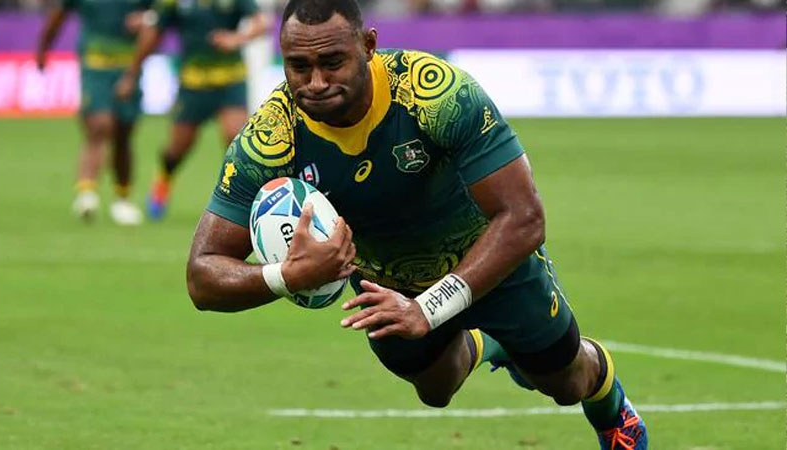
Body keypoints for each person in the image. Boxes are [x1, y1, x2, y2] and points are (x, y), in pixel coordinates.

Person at [186, 0, 648, 448]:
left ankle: (615, 415)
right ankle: (488, 343)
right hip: (389, 288)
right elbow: (203, 275)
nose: (316, 82)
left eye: (332, 62)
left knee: (566, 383)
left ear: (368, 45)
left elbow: (524, 218)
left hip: (491, 262)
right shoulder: (271, 137)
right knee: (437, 390)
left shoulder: (433, 93)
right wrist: (287, 276)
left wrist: (428, 308)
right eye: (299, 66)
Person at [116, 0, 273, 220]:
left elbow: (262, 22)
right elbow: (154, 31)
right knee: (178, 148)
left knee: (236, 141)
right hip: (193, 83)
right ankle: (163, 180)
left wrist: (237, 38)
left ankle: (238, 201)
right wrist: (132, 72)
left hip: (230, 79)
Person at [36, 0, 148, 225]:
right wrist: (43, 48)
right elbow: (59, 14)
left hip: (129, 67)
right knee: (99, 125)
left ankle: (122, 198)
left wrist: (146, 19)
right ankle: (86, 193)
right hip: (95, 66)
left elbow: (163, 15)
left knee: (123, 134)